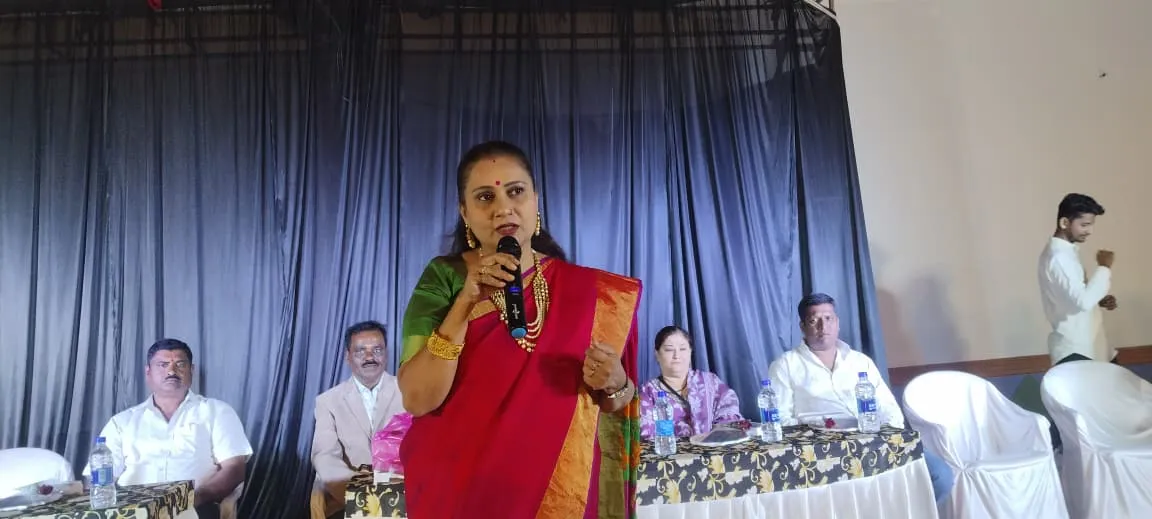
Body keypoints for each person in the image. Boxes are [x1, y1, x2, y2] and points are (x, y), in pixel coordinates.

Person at [396, 140, 643, 519]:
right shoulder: (444, 279)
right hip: (461, 492)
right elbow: (417, 399)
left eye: (515, 191)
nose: (503, 208)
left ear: (535, 200)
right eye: (485, 197)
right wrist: (464, 305)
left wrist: (616, 382)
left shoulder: (586, 292)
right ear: (464, 212)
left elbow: (611, 404)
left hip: (559, 493)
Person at [768, 294, 954, 504]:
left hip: (874, 438)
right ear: (802, 326)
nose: (823, 326)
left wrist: (886, 436)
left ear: (837, 322)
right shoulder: (786, 365)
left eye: (828, 318)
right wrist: (818, 428)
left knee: (940, 476)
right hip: (822, 447)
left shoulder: (860, 361)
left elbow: (889, 408)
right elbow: (780, 420)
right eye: (814, 320)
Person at [90, 339, 251, 519]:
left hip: (193, 507)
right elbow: (97, 477)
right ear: (148, 372)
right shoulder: (121, 422)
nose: (172, 371)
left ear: (191, 370)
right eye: (163, 365)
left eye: (180, 364)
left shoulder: (217, 412)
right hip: (133, 511)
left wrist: (190, 499)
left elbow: (234, 469)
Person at [310, 321, 406, 519]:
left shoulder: (408, 392)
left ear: (386, 353)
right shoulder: (328, 401)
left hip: (405, 486)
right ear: (347, 356)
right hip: (353, 489)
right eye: (361, 351)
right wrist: (360, 493)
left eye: (377, 350)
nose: (370, 357)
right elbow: (325, 455)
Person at [1037, 193, 1117, 366]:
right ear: (1064, 223)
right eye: (1084, 225)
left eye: (1091, 225)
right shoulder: (1060, 257)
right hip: (1079, 352)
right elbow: (1083, 301)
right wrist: (1104, 267)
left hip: (1092, 348)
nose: (1090, 231)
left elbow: (1074, 297)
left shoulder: (1064, 254)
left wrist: (1098, 299)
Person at [639, 325, 742, 438]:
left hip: (713, 446)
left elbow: (729, 412)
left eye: (683, 349)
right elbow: (646, 432)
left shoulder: (710, 382)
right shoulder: (647, 391)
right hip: (671, 448)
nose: (677, 355)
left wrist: (716, 435)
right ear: (657, 354)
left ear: (690, 352)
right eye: (669, 349)